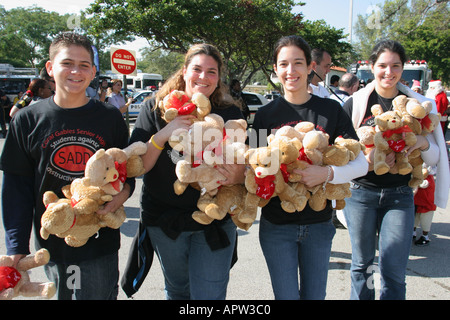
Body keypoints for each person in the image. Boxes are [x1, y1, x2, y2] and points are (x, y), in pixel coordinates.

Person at [0, 32, 131, 300]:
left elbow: (127, 174)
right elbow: (16, 189)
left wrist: (124, 194)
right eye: (67, 63)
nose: (76, 71)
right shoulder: (26, 120)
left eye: (84, 65)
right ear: (50, 68)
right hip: (51, 241)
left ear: (93, 71)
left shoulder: (110, 119)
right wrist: (16, 246)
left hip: (99, 240)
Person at [251, 35, 368, 300]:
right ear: (275, 69)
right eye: (283, 64)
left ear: (310, 67)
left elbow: (361, 162)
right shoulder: (264, 115)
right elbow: (253, 163)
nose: (290, 71)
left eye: (298, 63)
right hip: (276, 225)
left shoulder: (331, 110)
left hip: (318, 224)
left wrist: (327, 173)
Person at [127, 43, 245, 300]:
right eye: (197, 69)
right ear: (183, 71)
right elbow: (139, 166)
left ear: (218, 78)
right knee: (178, 291)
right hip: (165, 222)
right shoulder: (155, 109)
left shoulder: (228, 112)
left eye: (211, 72)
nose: (203, 77)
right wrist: (164, 133)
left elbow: (244, 162)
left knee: (210, 295)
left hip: (214, 219)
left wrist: (238, 174)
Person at [342, 39, 448, 300]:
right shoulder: (355, 103)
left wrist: (422, 142)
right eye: (382, 66)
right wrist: (367, 156)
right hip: (360, 194)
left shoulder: (420, 105)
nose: (388, 72)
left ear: (403, 67)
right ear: (371, 66)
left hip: (399, 195)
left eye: (395, 66)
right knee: (362, 267)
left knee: (393, 271)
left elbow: (435, 157)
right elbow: (341, 151)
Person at [413, 166, 436, 246]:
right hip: (417, 200)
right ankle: (413, 232)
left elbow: (424, 184)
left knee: (425, 218)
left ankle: (425, 237)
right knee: (415, 216)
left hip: (426, 202)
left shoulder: (429, 177)